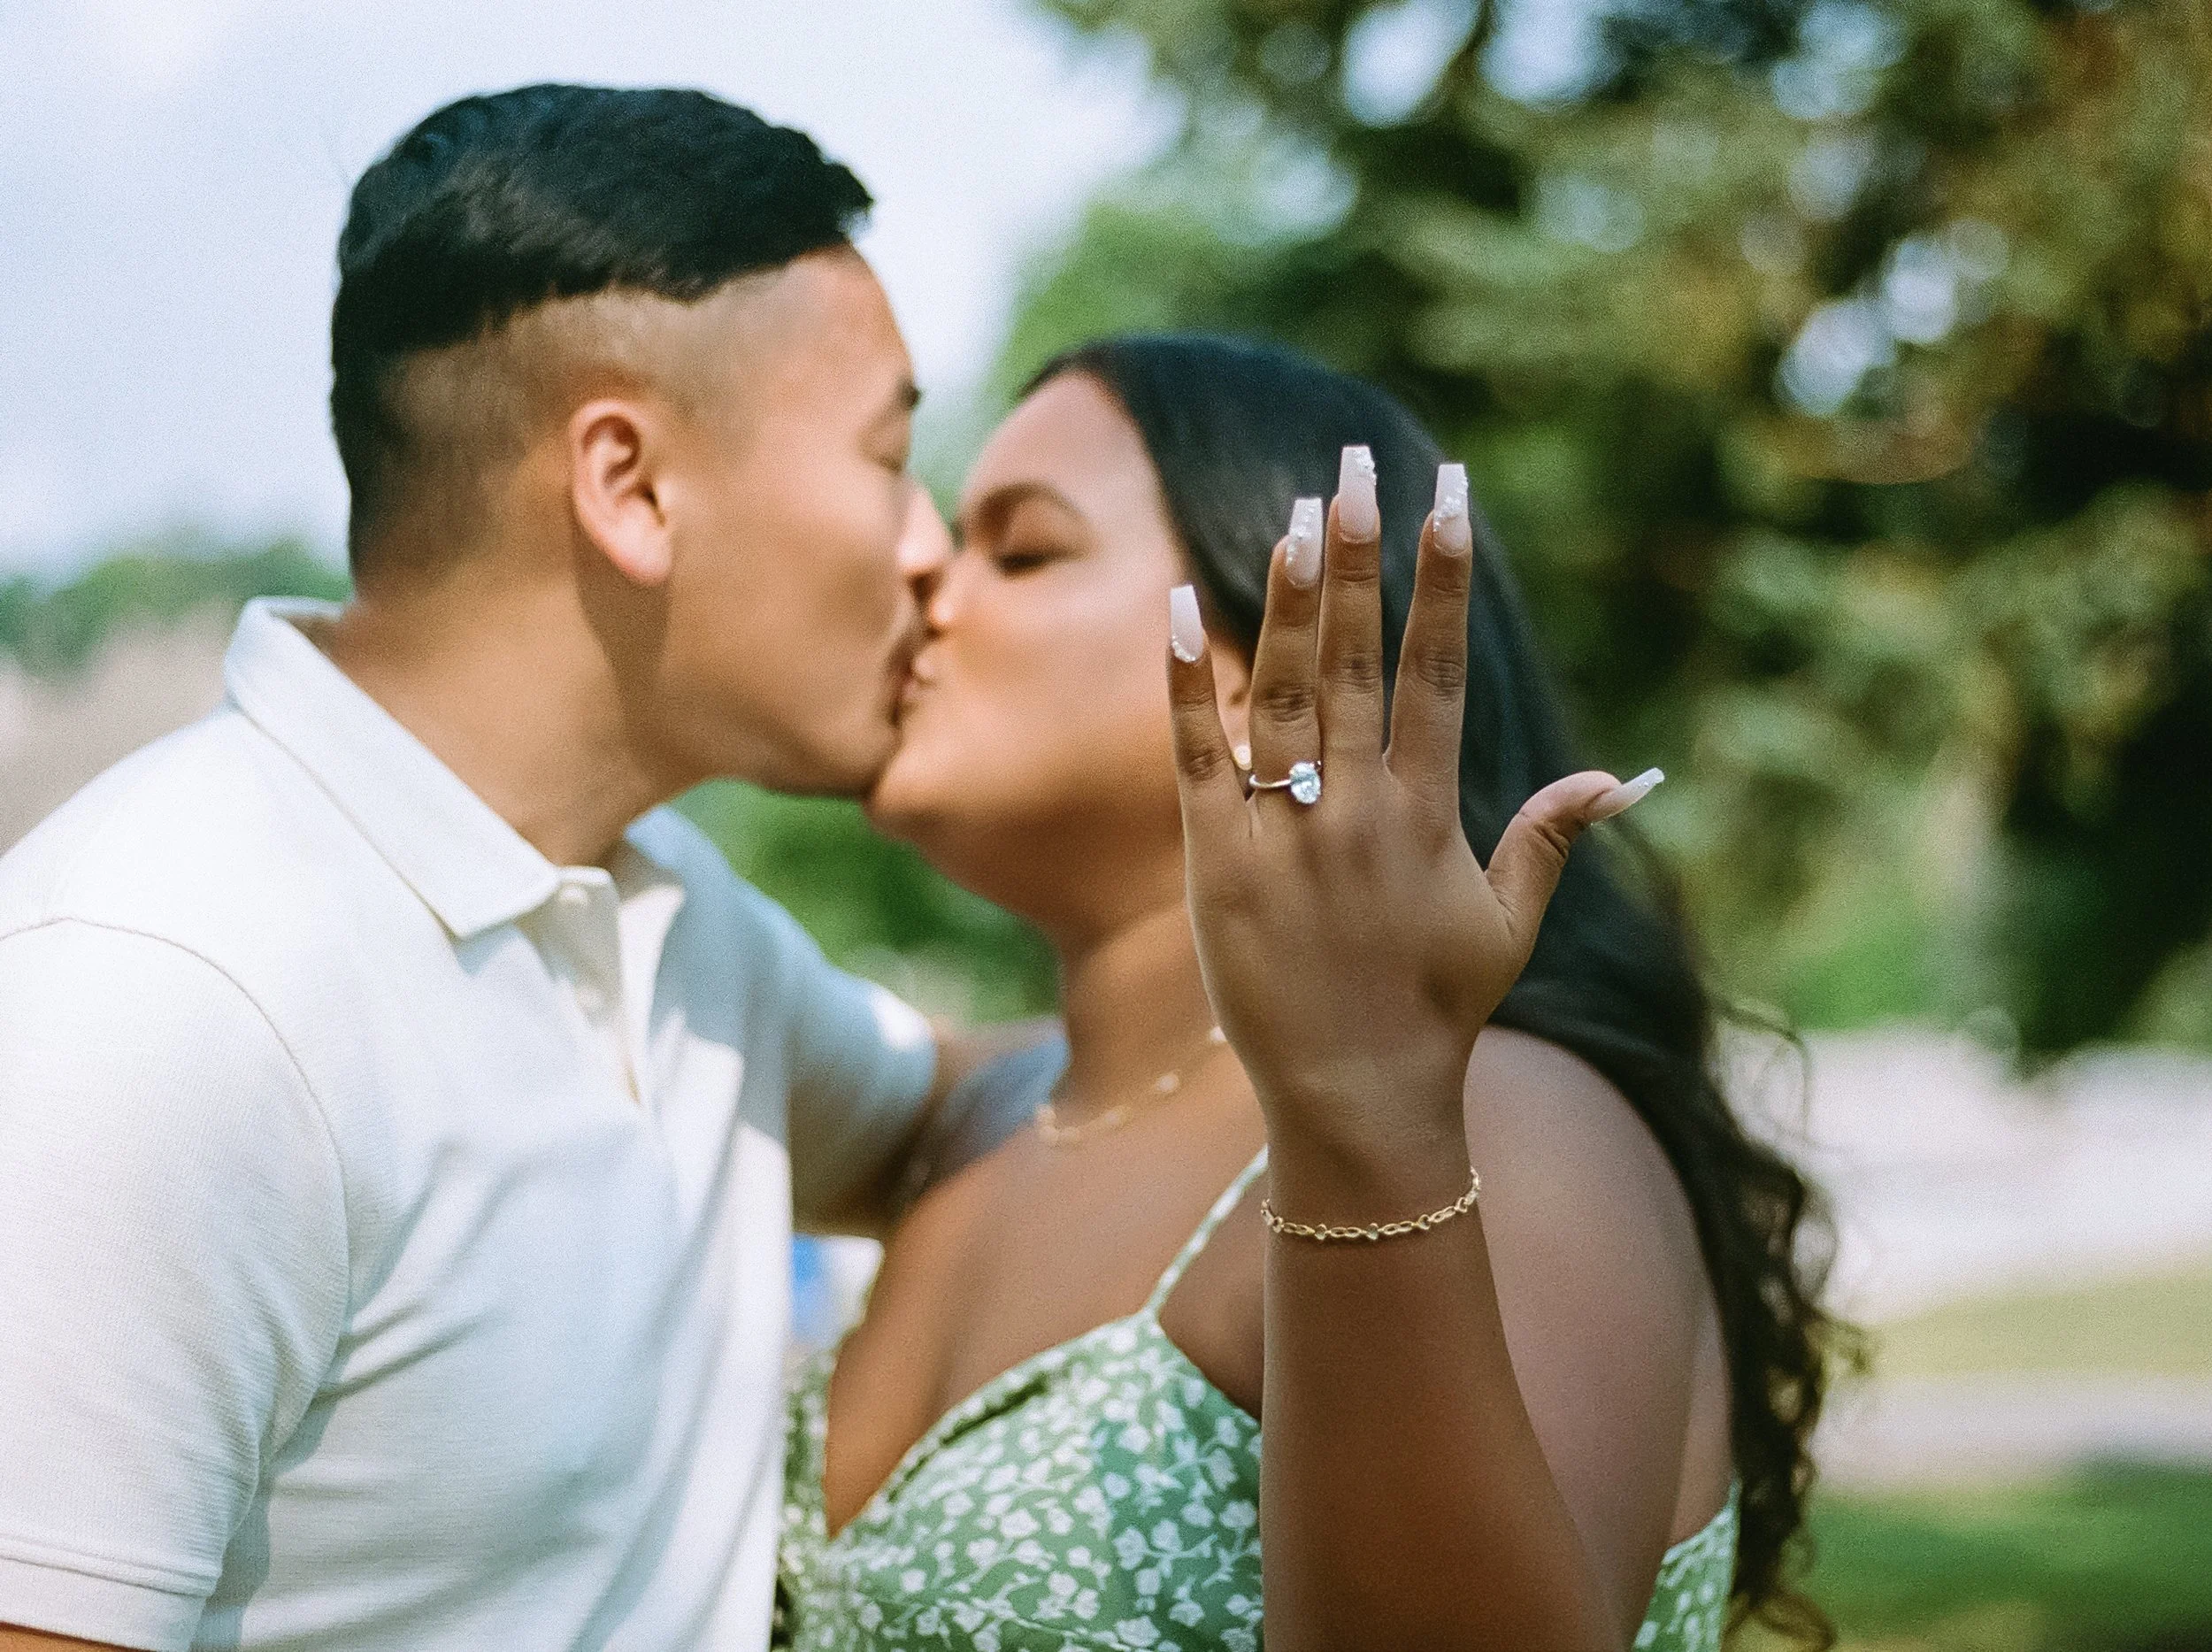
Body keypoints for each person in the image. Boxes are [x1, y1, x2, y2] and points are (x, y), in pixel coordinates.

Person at [0, 85, 1029, 1652]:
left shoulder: (670, 916)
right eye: (891, 458)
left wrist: (1367, 1030)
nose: (929, 549)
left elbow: (970, 1103)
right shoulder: (157, 981)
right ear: (630, 485)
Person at [777, 335, 1846, 1650]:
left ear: (1276, 658)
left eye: (1023, 548)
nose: (927, 572)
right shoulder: (967, 1111)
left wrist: (1366, 1119)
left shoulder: (1506, 1119)